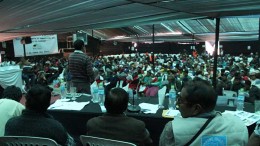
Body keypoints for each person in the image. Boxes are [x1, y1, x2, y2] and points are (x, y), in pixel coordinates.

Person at [159, 80, 248, 146]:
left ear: (196, 108)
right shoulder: (238, 124)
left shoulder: (172, 129)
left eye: (180, 100)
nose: (177, 103)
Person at [5, 85, 75, 146]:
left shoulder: (11, 124)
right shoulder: (55, 127)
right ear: (48, 105)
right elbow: (71, 144)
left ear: (26, 102)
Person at [86, 88, 153, 146]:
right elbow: (149, 143)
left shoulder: (92, 123)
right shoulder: (137, 126)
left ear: (105, 104)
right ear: (126, 106)